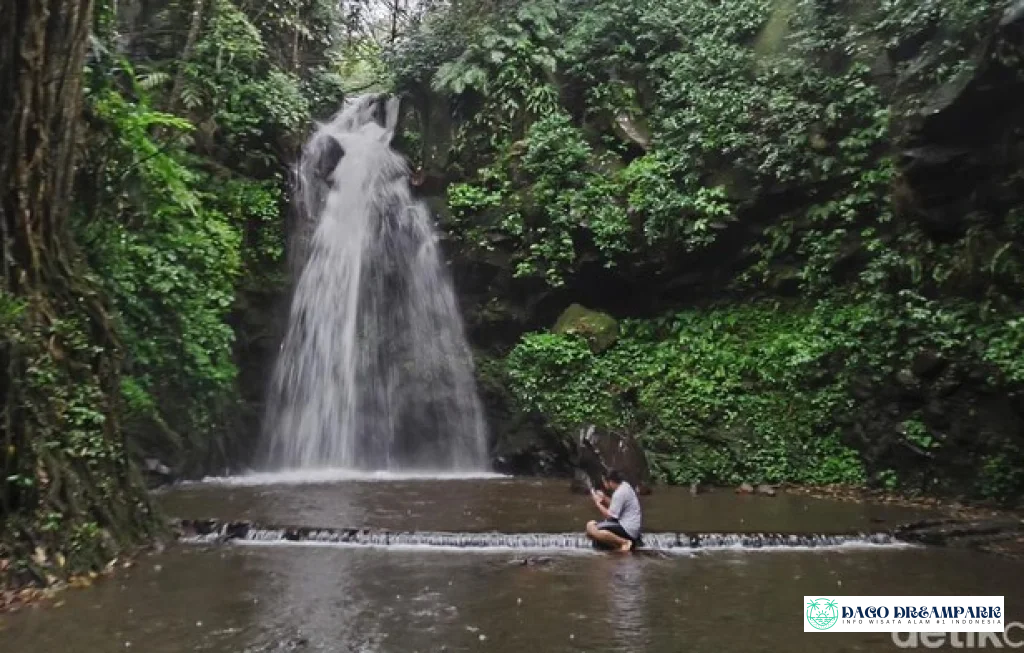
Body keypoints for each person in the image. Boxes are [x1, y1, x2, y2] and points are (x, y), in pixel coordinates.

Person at [585, 468, 643, 552]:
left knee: (590, 527)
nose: (604, 484)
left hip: (627, 528)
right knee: (592, 530)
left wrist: (598, 503)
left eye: (604, 481)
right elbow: (615, 505)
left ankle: (624, 542)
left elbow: (610, 516)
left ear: (611, 482)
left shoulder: (619, 493)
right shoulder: (624, 486)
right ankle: (616, 545)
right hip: (630, 527)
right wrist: (604, 498)